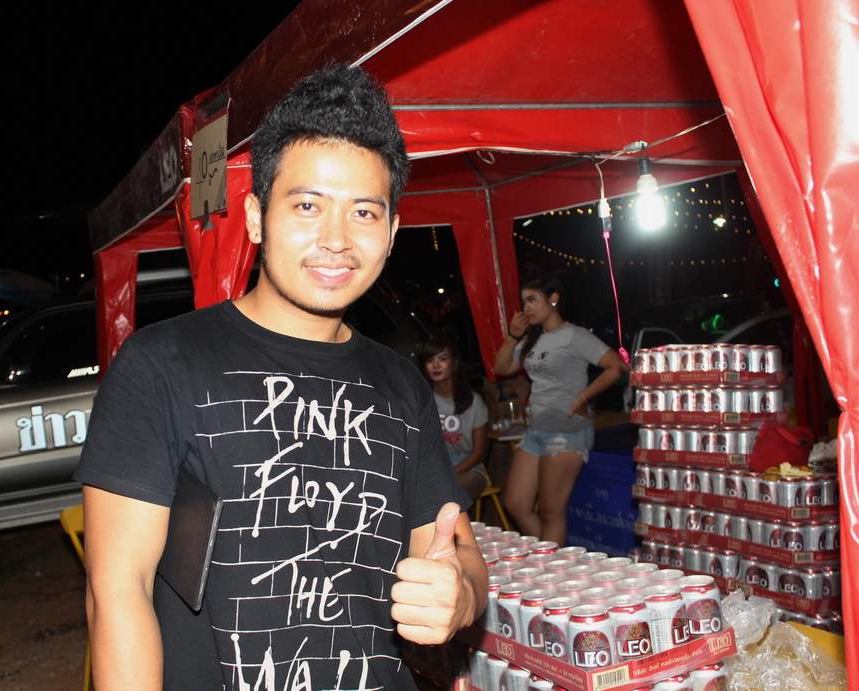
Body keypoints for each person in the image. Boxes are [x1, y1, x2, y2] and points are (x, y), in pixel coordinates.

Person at [75, 64, 487, 691]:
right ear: (255, 216)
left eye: (364, 213)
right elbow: (116, 590)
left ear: (392, 233)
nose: (336, 239)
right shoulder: (162, 364)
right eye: (307, 205)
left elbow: (458, 550)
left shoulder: (401, 385)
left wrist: (462, 596)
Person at [494, 275, 629, 546]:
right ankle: (549, 556)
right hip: (536, 431)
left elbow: (618, 366)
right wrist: (513, 336)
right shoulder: (531, 339)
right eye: (524, 302)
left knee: (550, 511)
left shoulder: (574, 335)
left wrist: (583, 397)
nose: (526, 308)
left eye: (533, 300)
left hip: (566, 433)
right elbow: (501, 368)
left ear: (553, 298)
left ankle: (547, 565)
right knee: (515, 503)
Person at [420, 337, 489, 500]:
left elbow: (479, 453)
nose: (436, 365)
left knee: (447, 490)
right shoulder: (421, 400)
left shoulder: (474, 402)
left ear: (455, 363)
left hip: (467, 468)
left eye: (443, 359)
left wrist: (450, 472)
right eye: (430, 360)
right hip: (431, 468)